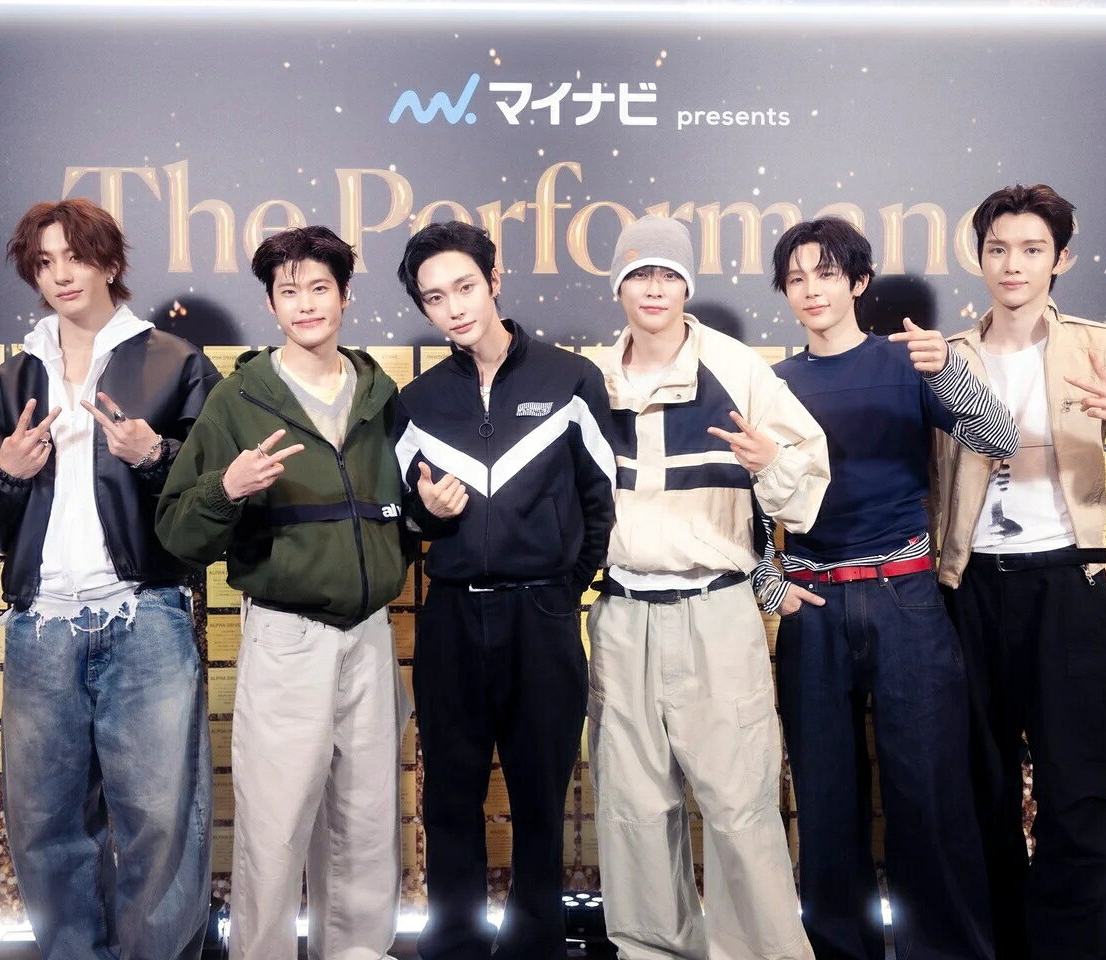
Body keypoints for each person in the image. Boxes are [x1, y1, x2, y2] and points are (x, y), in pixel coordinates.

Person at [0, 197, 218, 960]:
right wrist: (5, 473)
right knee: (44, 821)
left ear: (109, 261)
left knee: (162, 818)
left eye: (75, 256)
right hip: (39, 626)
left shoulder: (175, 361)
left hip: (145, 614)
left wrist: (154, 456)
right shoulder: (14, 378)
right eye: (44, 262)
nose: (61, 274)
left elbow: (215, 494)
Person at [753, 216, 1016, 960]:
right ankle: (841, 948)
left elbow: (999, 438)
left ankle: (948, 951)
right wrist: (770, 583)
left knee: (930, 793)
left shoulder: (909, 361)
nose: (811, 290)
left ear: (858, 282)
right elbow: (746, 498)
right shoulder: (772, 383)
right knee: (826, 800)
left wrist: (949, 373)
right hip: (814, 604)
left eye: (826, 274)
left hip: (907, 598)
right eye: (796, 278)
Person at [934, 184, 1106, 960]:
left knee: (1083, 789)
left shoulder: (1102, 347)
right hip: (971, 593)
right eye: (999, 249)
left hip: (1069, 587)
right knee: (980, 788)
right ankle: (998, 945)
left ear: (1061, 259)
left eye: (1032, 249)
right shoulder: (949, 356)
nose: (1013, 264)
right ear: (980, 258)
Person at [155, 225, 410, 960]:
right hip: (286, 636)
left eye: (319, 288)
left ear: (346, 295)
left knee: (367, 823)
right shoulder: (239, 399)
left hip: (370, 635)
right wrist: (226, 488)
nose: (306, 304)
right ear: (270, 305)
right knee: (274, 825)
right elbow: (177, 531)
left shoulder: (380, 396)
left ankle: (357, 953)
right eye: (289, 291)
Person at [587, 214, 829, 960]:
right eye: (639, 274)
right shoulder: (590, 378)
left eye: (669, 274)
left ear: (687, 285)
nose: (654, 288)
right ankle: (651, 951)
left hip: (716, 611)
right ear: (618, 285)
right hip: (621, 613)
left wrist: (767, 463)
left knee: (740, 806)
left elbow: (805, 486)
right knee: (632, 810)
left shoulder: (738, 368)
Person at [392, 220, 616, 960]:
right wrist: (430, 514)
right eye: (435, 298)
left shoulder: (570, 379)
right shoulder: (416, 402)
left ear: (493, 281)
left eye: (464, 287)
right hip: (452, 620)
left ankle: (535, 946)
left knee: (540, 799)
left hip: (542, 616)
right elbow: (404, 520)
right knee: (449, 797)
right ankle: (453, 943)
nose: (454, 307)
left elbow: (601, 502)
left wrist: (562, 590)